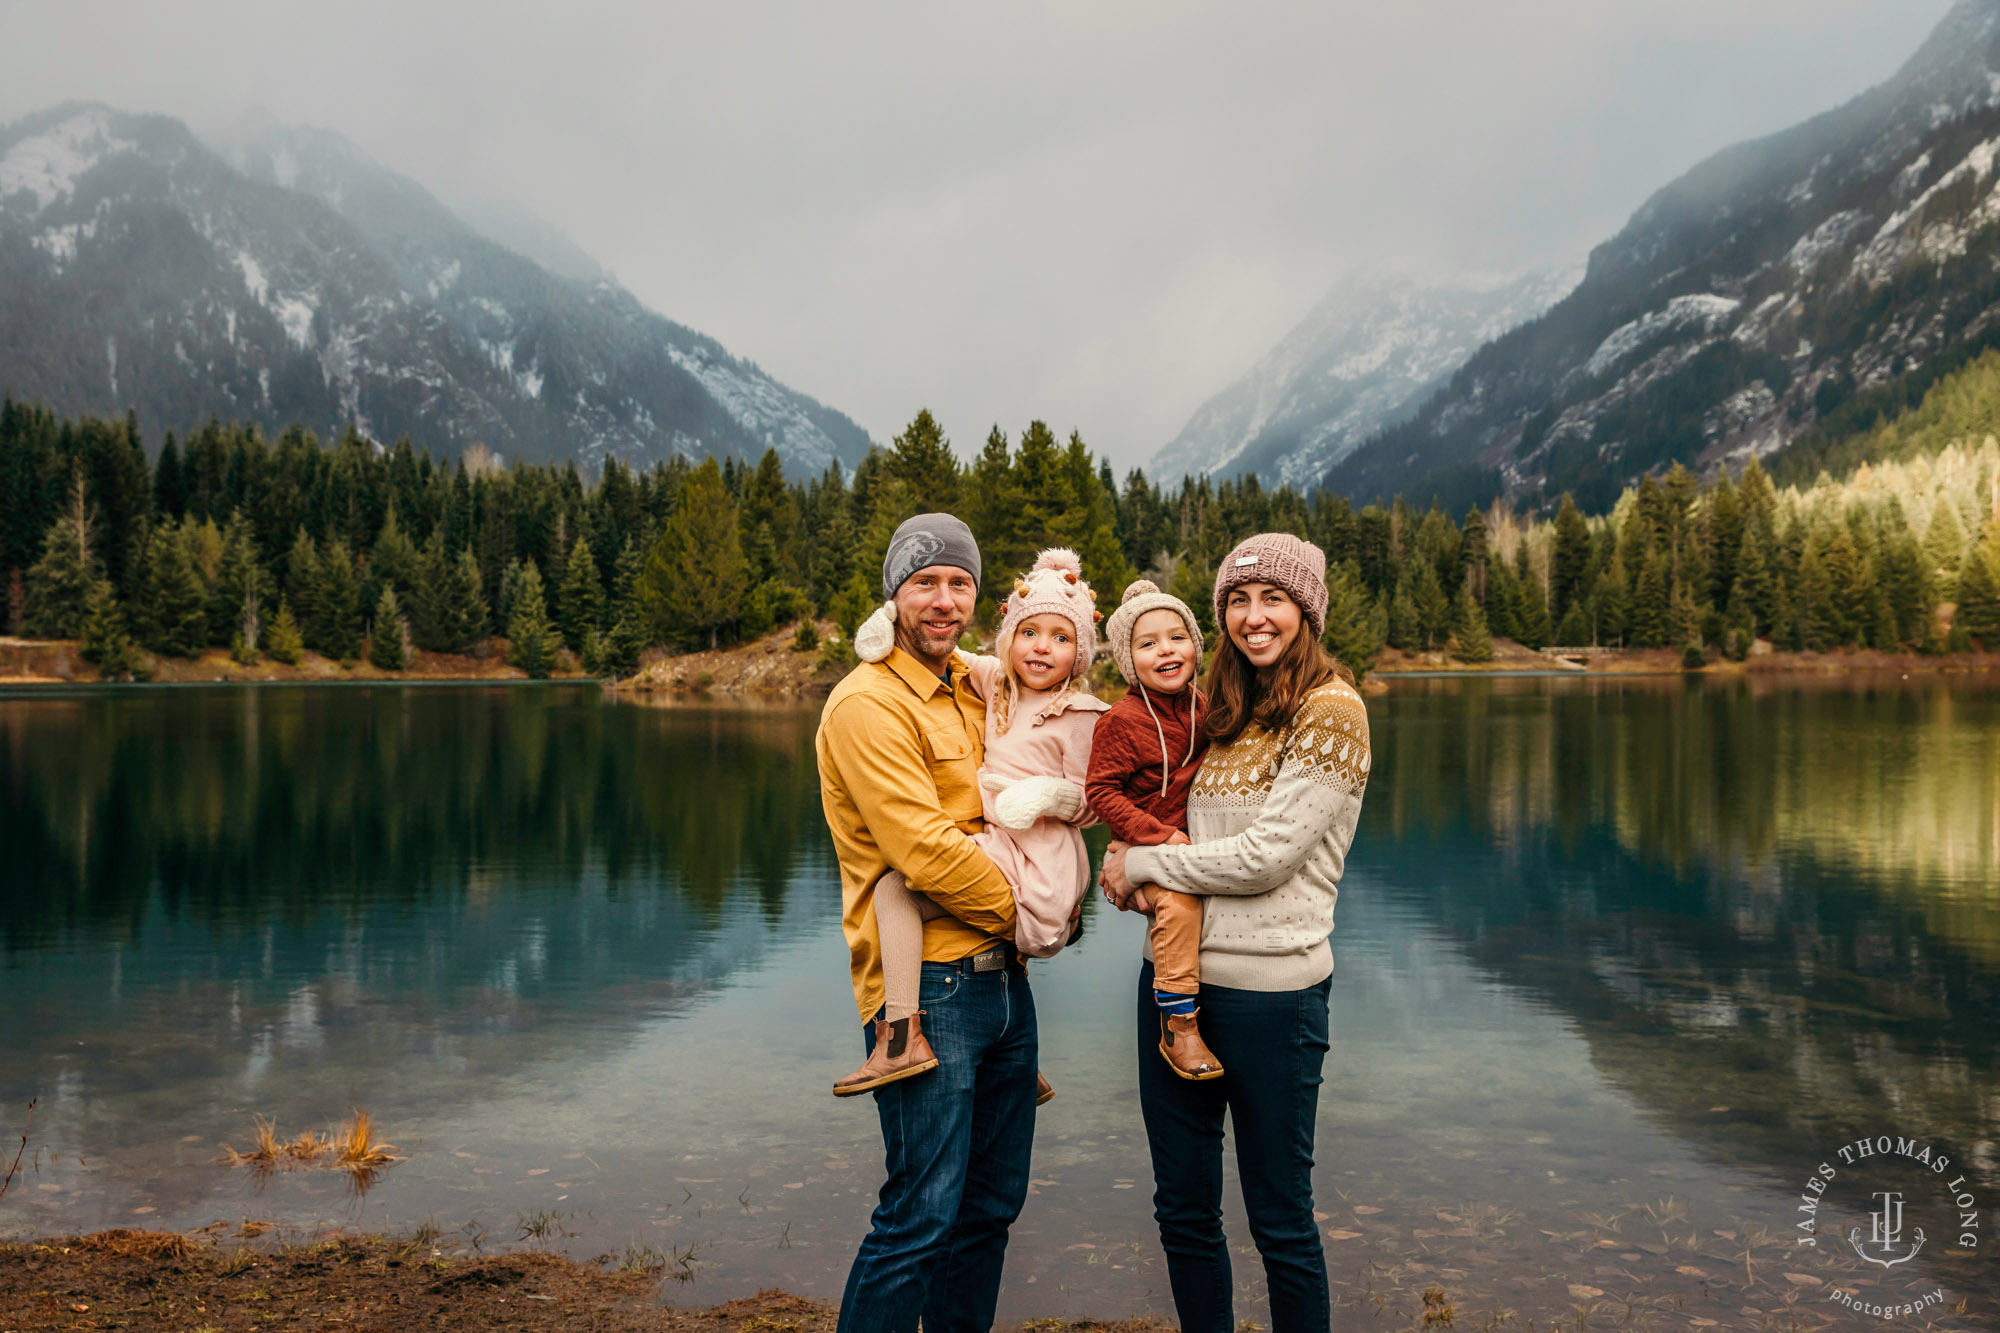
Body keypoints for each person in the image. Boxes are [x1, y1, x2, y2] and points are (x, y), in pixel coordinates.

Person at [1098, 532, 1372, 1333]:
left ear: (1307, 611)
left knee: (1280, 1218)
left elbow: (1263, 859)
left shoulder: (1332, 710)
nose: (1254, 618)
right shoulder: (1220, 712)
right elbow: (1162, 814)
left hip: (1272, 998)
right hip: (1173, 989)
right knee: (1183, 1211)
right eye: (1237, 601)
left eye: (1273, 599)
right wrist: (1129, 855)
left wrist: (1143, 866)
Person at [815, 513, 1036, 1333]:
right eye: (925, 582)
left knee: (988, 1210)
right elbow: (925, 851)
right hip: (929, 991)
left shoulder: (971, 691)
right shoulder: (865, 704)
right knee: (918, 1217)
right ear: (896, 594)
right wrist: (1037, 913)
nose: (944, 600)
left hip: (1006, 987)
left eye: (959, 583)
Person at [836, 547, 1106, 1099]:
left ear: (1081, 652)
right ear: (1010, 639)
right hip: (1001, 853)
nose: (1043, 648)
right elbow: (952, 647)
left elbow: (1092, 799)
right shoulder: (994, 686)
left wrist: (1041, 796)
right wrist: (881, 622)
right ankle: (938, 1043)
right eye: (1030, 634)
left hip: (1042, 853)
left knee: (903, 892)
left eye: (1062, 638)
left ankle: (989, 1049)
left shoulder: (1081, 714)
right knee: (898, 891)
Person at [1084, 579, 1223, 1081]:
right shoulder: (1121, 720)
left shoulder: (1204, 707)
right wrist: (1152, 834)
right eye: (1147, 644)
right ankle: (1178, 1025)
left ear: (1195, 647)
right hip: (1151, 844)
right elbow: (1100, 793)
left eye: (1176, 637)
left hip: (1187, 844)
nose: (1165, 649)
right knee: (1180, 905)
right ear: (1128, 660)